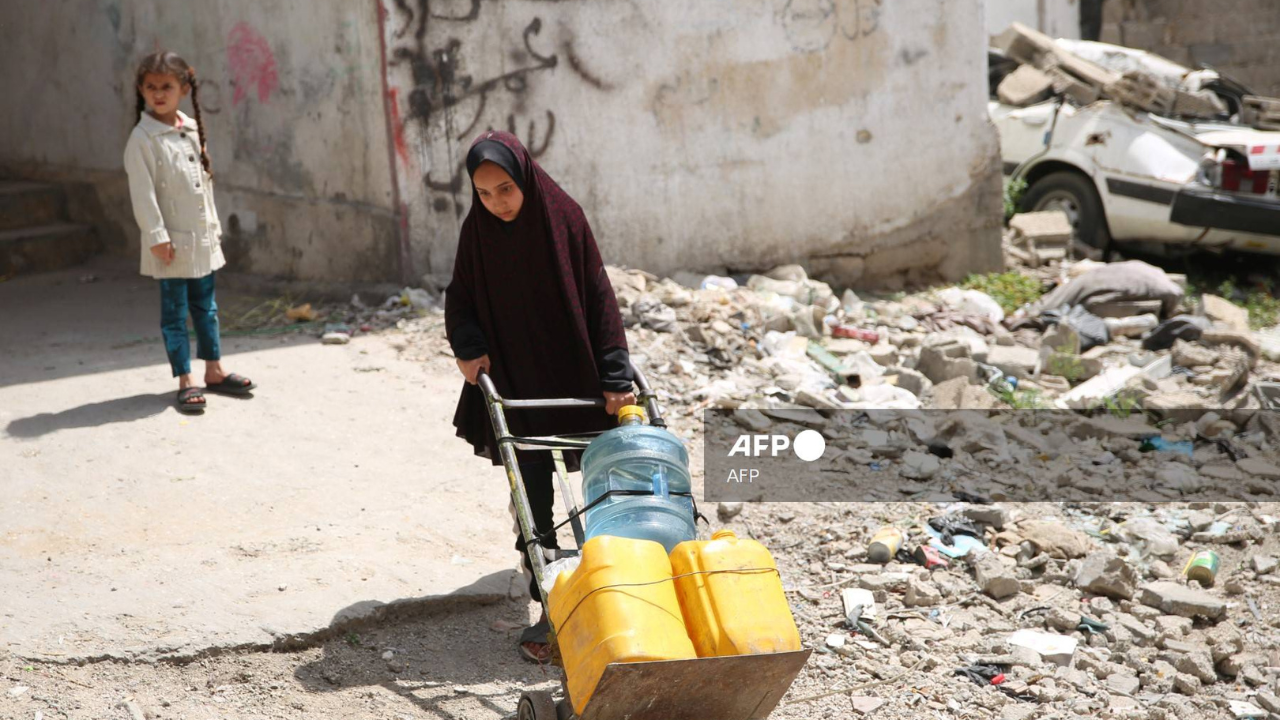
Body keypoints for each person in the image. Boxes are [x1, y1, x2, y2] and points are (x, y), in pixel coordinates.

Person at [445, 131, 635, 662]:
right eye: (483, 194)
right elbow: (459, 298)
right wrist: (468, 347)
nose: (496, 203)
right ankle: (552, 604)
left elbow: (599, 296)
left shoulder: (564, 218)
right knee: (534, 497)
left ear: (524, 177)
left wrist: (616, 375)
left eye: (505, 189)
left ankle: (621, 587)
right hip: (515, 384)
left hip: (576, 376)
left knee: (607, 488)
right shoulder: (478, 232)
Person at [124, 51, 255, 413]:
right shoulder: (143, 139)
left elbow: (203, 185)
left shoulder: (192, 128)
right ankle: (186, 379)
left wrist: (212, 228)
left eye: (167, 86)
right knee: (175, 312)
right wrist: (157, 236)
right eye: (151, 87)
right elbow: (143, 194)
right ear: (141, 90)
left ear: (183, 88)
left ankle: (214, 370)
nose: (159, 94)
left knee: (206, 307)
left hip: (200, 239)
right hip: (170, 244)